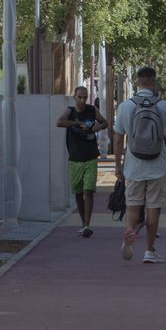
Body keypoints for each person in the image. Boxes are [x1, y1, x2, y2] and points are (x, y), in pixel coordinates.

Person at [113, 66, 166, 264]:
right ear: (154, 81)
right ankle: (150, 250)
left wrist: (118, 165)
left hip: (133, 166)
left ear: (137, 81)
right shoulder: (164, 106)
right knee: (154, 208)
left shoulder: (125, 106)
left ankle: (130, 232)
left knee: (133, 204)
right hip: (157, 165)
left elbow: (118, 139)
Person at [57, 86, 109, 237]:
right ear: (74, 97)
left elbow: (105, 123)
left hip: (91, 156)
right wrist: (76, 123)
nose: (82, 100)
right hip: (75, 158)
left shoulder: (92, 110)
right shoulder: (70, 112)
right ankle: (83, 223)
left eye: (84, 97)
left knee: (89, 191)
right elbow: (59, 122)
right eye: (79, 97)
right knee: (78, 193)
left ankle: (87, 225)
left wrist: (98, 127)